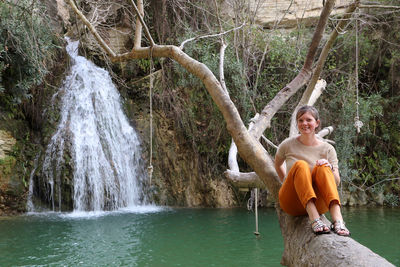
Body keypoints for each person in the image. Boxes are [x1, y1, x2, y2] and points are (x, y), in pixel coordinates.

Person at [274, 105, 350, 236]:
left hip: (319, 203)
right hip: (292, 202)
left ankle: (338, 220)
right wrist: (286, 180)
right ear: (297, 123)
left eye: (308, 120)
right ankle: (315, 219)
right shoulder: (287, 145)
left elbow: (336, 182)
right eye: (300, 120)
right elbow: (277, 164)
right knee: (300, 165)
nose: (304, 123)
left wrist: (330, 168)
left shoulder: (328, 149)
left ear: (317, 123)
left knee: (323, 167)